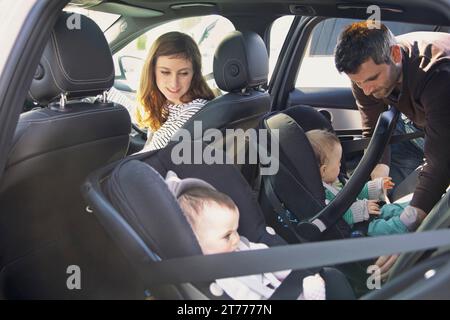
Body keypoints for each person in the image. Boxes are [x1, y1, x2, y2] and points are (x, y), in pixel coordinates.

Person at [334, 22, 450, 224]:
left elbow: (441, 161)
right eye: (359, 83)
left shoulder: (436, 73)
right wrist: (379, 176)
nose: (367, 90)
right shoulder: (365, 78)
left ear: (395, 55)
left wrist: (406, 227)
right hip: (425, 125)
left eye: (372, 79)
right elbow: (373, 128)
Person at [165, 170, 326, 300]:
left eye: (236, 229)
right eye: (227, 235)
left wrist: (294, 273)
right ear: (192, 240)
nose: (236, 238)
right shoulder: (213, 278)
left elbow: (268, 258)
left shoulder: (241, 247)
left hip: (277, 288)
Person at [306, 129, 419, 236]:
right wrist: (362, 208)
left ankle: (416, 207)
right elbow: (337, 214)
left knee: (392, 209)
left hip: (369, 213)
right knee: (383, 228)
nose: (340, 165)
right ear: (324, 170)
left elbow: (353, 193)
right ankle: (405, 224)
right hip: (359, 228)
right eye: (338, 162)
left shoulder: (336, 180)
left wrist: (377, 186)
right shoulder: (323, 195)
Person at [136, 32, 215, 152]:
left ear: (194, 74)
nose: (174, 84)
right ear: (152, 71)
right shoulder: (169, 104)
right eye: (165, 72)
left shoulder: (193, 111)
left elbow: (151, 158)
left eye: (183, 73)